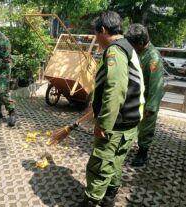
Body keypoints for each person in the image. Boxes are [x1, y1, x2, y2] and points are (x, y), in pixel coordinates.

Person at [79, 11, 145, 207]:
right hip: (129, 122)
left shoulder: (115, 50)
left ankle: (91, 200)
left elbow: (115, 89)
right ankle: (109, 198)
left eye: (96, 34)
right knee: (114, 162)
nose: (96, 39)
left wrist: (103, 123)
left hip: (116, 124)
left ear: (103, 30)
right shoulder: (128, 47)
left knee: (99, 166)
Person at [125, 24, 165, 167]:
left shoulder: (153, 57)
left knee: (146, 126)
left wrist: (151, 106)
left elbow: (157, 85)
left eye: (133, 44)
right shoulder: (136, 51)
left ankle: (143, 152)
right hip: (136, 94)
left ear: (141, 43)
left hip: (149, 96)